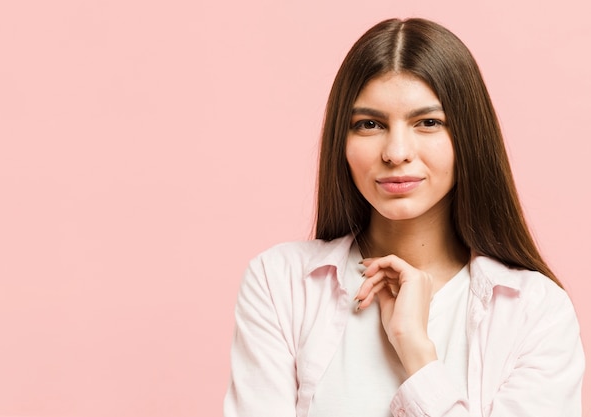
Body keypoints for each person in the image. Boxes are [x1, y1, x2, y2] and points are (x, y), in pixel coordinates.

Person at [223, 17, 585, 417]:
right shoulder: (281, 284)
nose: (396, 152)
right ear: (340, 142)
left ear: (467, 136)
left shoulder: (535, 311)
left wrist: (417, 352)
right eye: (369, 124)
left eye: (428, 122)